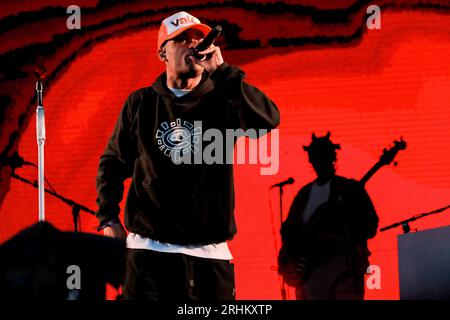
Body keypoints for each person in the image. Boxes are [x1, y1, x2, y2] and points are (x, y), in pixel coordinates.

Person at [95, 11, 280, 300]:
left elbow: (267, 120)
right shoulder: (142, 103)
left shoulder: (222, 100)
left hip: (210, 257)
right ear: (162, 52)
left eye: (197, 38)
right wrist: (108, 217)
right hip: (148, 254)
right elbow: (113, 161)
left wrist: (222, 71)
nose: (192, 44)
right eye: (181, 39)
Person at [279, 132, 378, 300]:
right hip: (309, 277)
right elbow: (290, 229)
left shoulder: (349, 189)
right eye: (316, 157)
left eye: (323, 156)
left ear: (332, 158)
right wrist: (289, 258)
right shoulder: (304, 194)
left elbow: (370, 225)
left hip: (342, 271)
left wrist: (343, 226)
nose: (319, 162)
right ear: (311, 160)